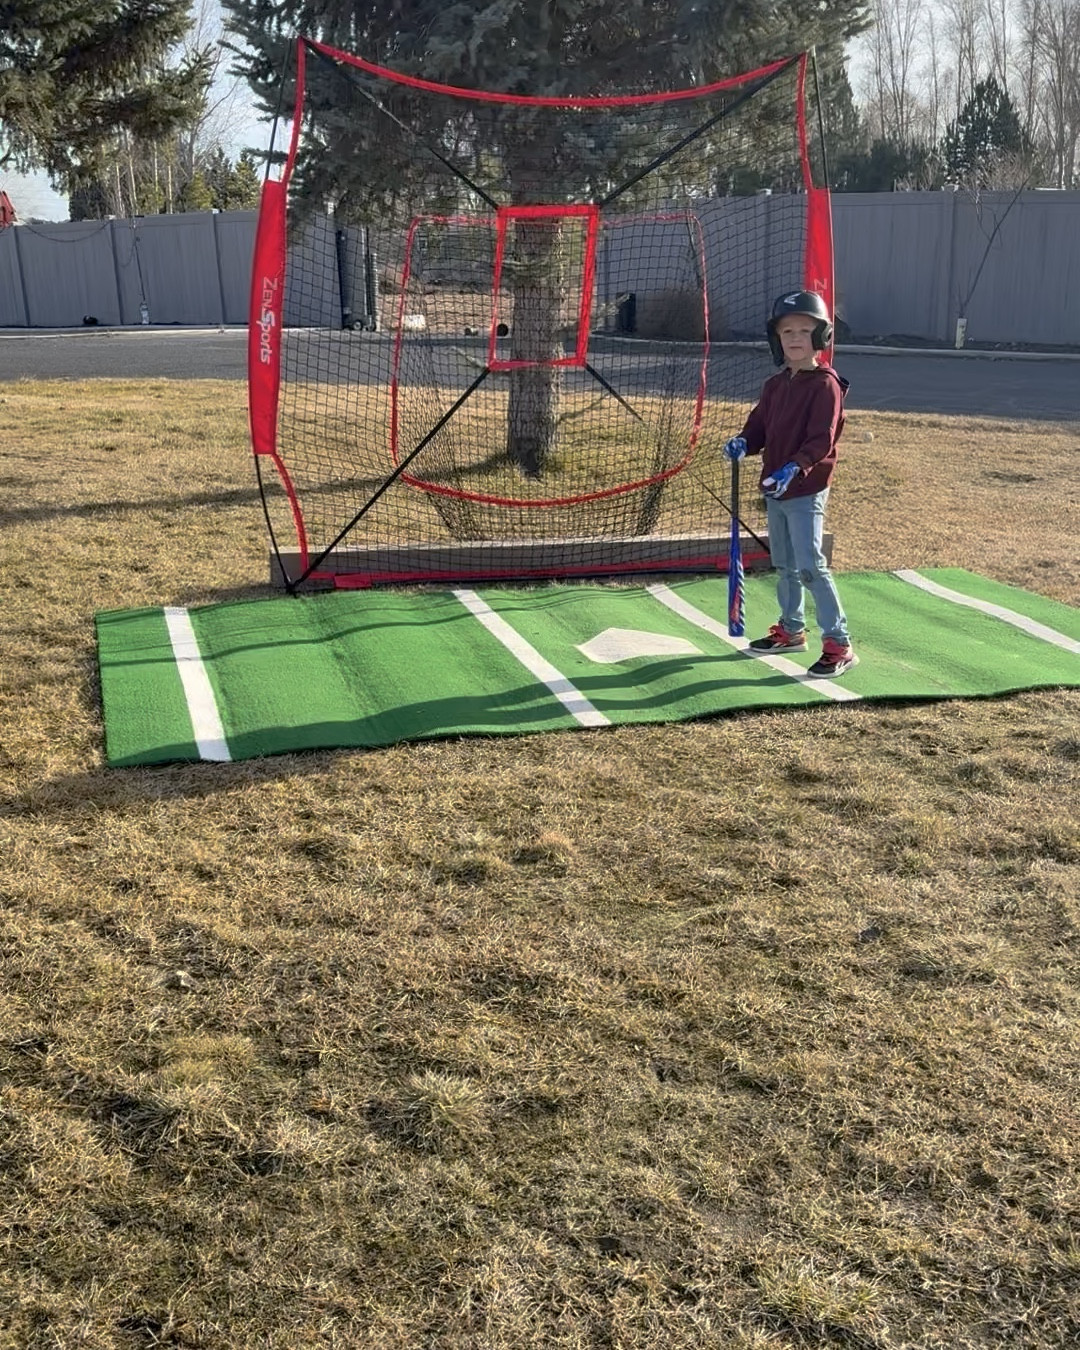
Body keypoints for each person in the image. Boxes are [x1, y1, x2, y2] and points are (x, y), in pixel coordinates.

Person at [724, 290, 857, 678]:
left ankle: (839, 642)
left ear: (821, 337)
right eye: (787, 332)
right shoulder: (775, 384)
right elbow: (759, 427)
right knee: (784, 564)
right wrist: (743, 443)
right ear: (776, 339)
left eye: (805, 330)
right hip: (775, 488)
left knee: (811, 566)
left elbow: (821, 439)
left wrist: (795, 468)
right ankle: (792, 629)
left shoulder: (825, 385)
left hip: (805, 489)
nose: (795, 338)